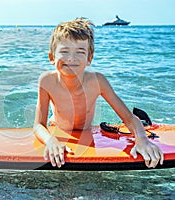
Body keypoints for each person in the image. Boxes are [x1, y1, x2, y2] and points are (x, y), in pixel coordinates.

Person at [33, 17, 164, 168]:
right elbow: (38, 125)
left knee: (136, 123)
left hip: (86, 130)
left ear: (89, 58)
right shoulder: (47, 81)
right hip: (57, 127)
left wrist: (142, 139)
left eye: (80, 52)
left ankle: (142, 124)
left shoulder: (97, 82)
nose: (71, 58)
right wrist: (51, 141)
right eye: (64, 51)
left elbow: (128, 117)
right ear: (51, 57)